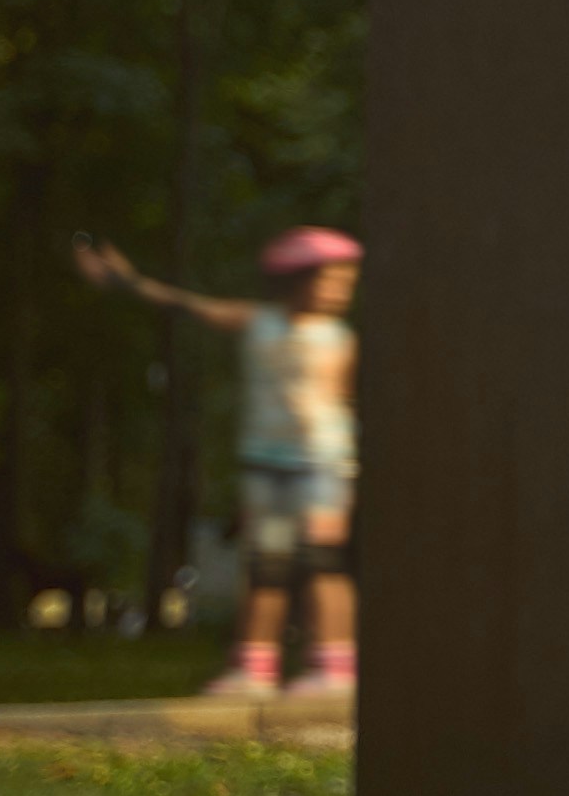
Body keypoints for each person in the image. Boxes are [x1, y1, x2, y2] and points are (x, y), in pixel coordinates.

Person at [72, 227, 360, 697]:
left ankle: (335, 666)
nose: (339, 292)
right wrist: (127, 281)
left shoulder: (340, 339)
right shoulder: (259, 322)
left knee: (322, 563)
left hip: (322, 468)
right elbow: (187, 304)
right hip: (266, 466)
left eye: (346, 283)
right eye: (330, 281)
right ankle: (255, 667)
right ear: (295, 281)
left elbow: (347, 402)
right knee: (266, 566)